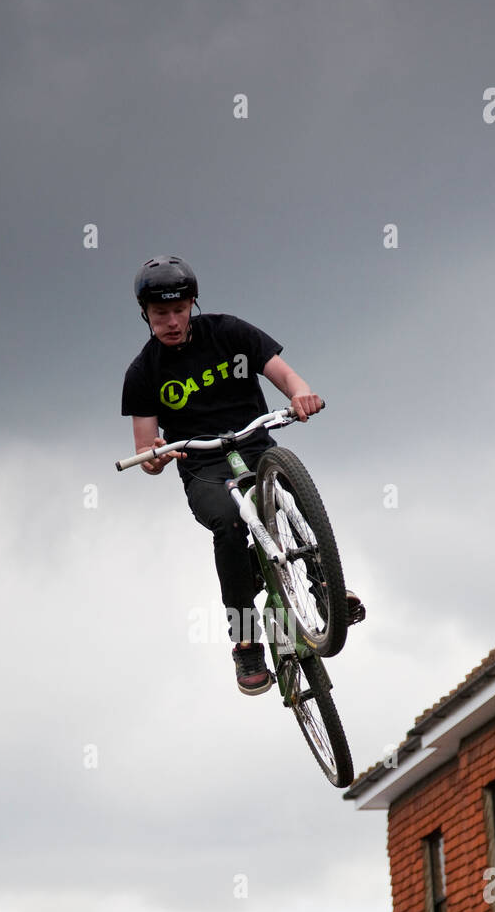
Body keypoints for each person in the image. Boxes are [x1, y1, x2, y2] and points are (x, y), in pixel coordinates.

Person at [121, 255, 363, 694]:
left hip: (253, 443)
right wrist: (154, 456)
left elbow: (283, 374)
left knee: (289, 485)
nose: (172, 321)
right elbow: (146, 449)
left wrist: (301, 394)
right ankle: (246, 641)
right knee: (231, 528)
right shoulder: (143, 372)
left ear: (192, 304)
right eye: (161, 314)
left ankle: (324, 588)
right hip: (203, 465)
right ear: (146, 315)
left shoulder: (229, 332)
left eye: (179, 310)